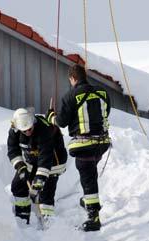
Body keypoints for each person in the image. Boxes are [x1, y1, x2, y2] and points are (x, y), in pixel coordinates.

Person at [47, 65, 111, 231]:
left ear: (72, 79)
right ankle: (89, 200)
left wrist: (51, 117)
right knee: (90, 173)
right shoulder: (102, 92)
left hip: (84, 145)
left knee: (88, 177)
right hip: (102, 143)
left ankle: (93, 216)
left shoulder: (71, 96)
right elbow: (106, 113)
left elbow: (61, 122)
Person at [7, 108, 67, 225]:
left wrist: (40, 179)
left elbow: (46, 157)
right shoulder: (14, 131)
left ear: (33, 122)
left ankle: (49, 225)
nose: (28, 132)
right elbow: (13, 150)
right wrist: (20, 166)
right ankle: (22, 218)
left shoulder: (44, 129)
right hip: (32, 161)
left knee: (45, 193)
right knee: (18, 185)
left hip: (54, 162)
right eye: (24, 131)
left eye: (30, 129)